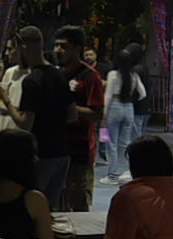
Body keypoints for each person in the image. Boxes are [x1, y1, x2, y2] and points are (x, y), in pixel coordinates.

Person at [8, 27, 76, 208]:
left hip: (41, 154)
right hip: (62, 152)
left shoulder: (32, 81)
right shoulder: (60, 75)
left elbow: (25, 124)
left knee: (29, 207)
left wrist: (7, 102)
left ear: (23, 48)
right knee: (49, 209)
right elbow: (72, 115)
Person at [53, 25, 105, 212]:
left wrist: (70, 107)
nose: (58, 50)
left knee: (78, 199)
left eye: (63, 46)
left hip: (80, 151)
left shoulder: (90, 77)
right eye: (56, 45)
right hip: (56, 148)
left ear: (77, 49)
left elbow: (97, 114)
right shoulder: (56, 74)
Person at [103, 46, 147, 182]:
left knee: (111, 142)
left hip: (114, 107)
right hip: (129, 108)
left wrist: (103, 114)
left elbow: (108, 95)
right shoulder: (134, 75)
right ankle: (126, 172)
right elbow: (143, 93)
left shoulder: (112, 75)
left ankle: (112, 175)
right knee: (126, 142)